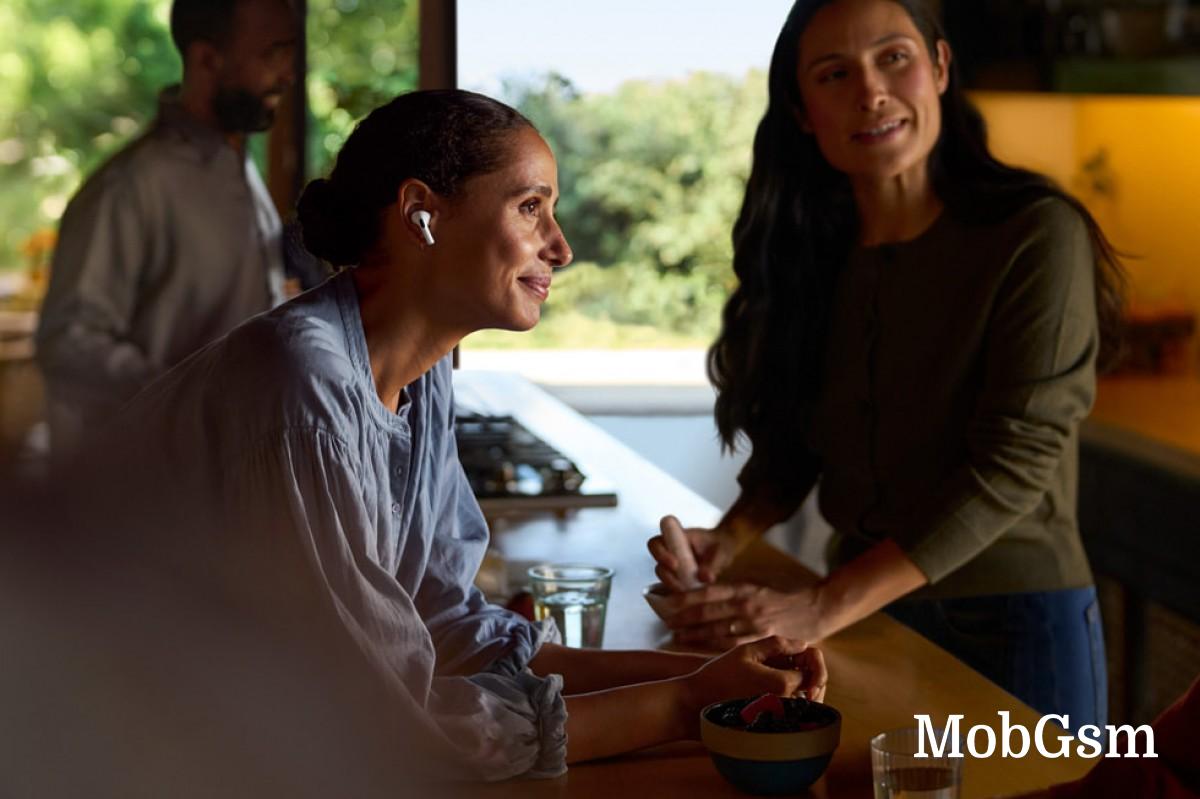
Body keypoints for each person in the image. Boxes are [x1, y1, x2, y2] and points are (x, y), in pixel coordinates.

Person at [88, 89, 827, 781]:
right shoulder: (302, 388)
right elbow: (392, 726)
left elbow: (443, 623)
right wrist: (682, 707)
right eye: (531, 207)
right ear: (422, 214)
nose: (561, 247)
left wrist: (705, 676)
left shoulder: (423, 370)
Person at [648, 0, 1124, 734]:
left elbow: (1014, 467)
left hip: (1018, 624)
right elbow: (801, 439)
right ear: (804, 112)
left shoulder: (1035, 233)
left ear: (938, 67)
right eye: (834, 74)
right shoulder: (812, 250)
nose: (869, 92)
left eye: (893, 58)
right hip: (865, 623)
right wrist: (728, 537)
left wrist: (821, 604)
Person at [35, 0, 300, 454]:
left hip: (235, 476)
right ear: (206, 59)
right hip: (151, 492)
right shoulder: (128, 187)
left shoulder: (239, 165)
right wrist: (191, 399)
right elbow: (67, 342)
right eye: (271, 54)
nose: (288, 75)